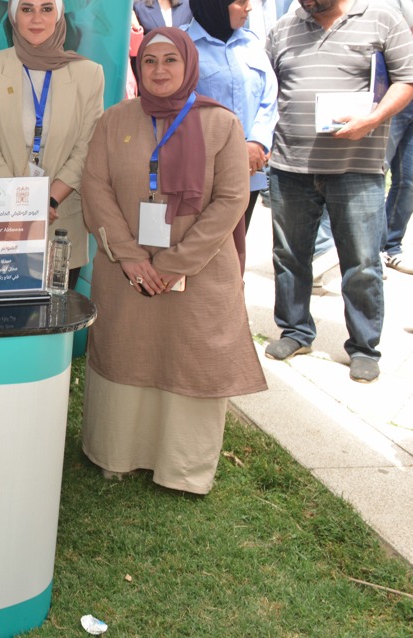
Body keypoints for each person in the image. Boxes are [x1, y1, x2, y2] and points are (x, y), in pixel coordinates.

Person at [80, 29, 264, 494]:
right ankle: (117, 454)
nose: (159, 70)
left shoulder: (221, 124)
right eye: (149, 61)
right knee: (126, 353)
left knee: (189, 359)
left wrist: (175, 263)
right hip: (126, 272)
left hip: (199, 273)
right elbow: (96, 188)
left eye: (170, 60)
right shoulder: (114, 120)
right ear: (138, 68)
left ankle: (181, 468)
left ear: (189, 65)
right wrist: (130, 256)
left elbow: (232, 199)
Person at [263, 0, 413, 383]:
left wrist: (373, 118)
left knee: (361, 262)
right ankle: (295, 330)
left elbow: (406, 79)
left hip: (357, 168)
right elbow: (266, 86)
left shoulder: (382, 19)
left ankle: (364, 346)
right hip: (291, 165)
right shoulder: (284, 28)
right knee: (290, 256)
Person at [0, 0, 105, 286]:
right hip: (2, 218)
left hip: (60, 219)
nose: (36, 18)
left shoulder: (88, 74)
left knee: (56, 311)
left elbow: (86, 148)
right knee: (3, 311)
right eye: (27, 9)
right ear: (13, 16)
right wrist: (25, 204)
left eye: (46, 9)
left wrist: (49, 201)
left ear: (59, 15)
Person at [188, 0, 277, 233]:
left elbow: (269, 95)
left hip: (249, 165)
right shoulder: (183, 46)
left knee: (237, 244)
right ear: (216, 3)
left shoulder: (251, 42)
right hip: (203, 168)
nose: (249, 7)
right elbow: (181, 106)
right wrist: (232, 150)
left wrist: (257, 142)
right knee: (202, 241)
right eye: (241, 1)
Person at [361, 0, 413, 274]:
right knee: (374, 173)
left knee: (408, 179)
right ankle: (365, 249)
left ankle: (390, 245)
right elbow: (399, 44)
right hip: (393, 96)